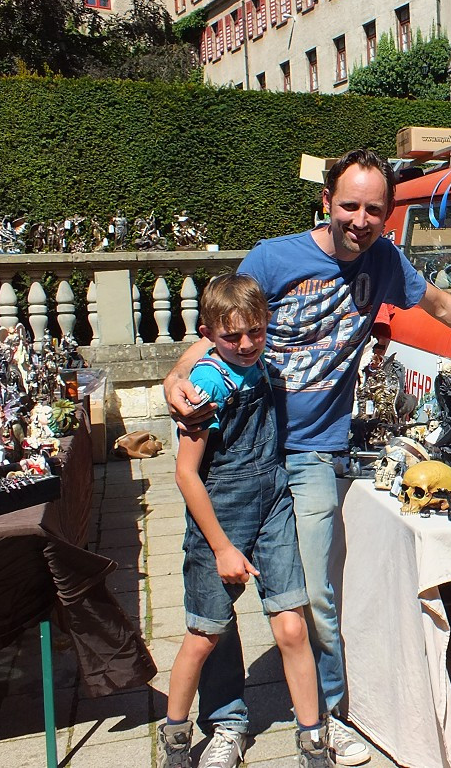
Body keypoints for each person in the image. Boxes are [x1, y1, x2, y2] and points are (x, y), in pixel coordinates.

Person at [164, 148, 451, 765]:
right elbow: (219, 327)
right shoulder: (274, 258)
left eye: (375, 208)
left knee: (313, 592)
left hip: (313, 453)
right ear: (327, 202)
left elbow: (442, 306)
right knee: (219, 597)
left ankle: (325, 716)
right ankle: (228, 722)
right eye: (350, 205)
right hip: (237, 454)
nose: (360, 219)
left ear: (388, 214)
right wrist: (173, 380)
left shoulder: (386, 262)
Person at [157, 274, 334, 768]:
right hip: (221, 517)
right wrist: (221, 548)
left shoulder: (261, 367)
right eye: (232, 336)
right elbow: (186, 474)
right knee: (204, 635)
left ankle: (312, 736)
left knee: (292, 629)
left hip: (272, 505)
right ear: (209, 332)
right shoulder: (210, 383)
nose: (246, 343)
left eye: (255, 331)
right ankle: (174, 737)